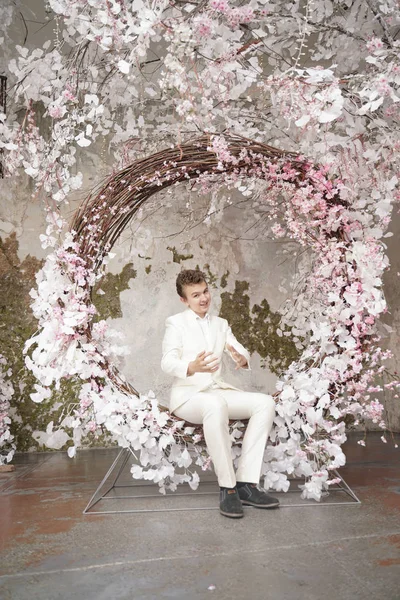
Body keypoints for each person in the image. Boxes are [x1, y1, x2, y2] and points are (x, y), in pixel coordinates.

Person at [161, 269, 279, 518]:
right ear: (184, 300)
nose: (203, 298)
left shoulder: (220, 324)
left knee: (265, 403)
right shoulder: (176, 323)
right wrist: (190, 367)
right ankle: (228, 488)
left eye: (205, 291)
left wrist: (240, 357)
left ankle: (246, 484)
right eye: (195, 295)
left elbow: (239, 349)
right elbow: (167, 362)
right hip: (188, 397)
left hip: (216, 392)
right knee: (214, 405)